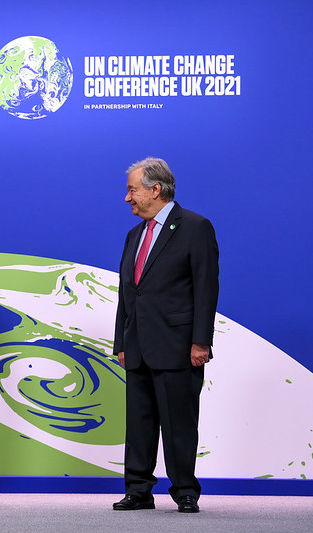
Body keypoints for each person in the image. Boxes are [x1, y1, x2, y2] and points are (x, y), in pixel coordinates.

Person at [112, 157, 219, 513]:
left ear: (155, 190)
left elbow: (206, 288)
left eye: (132, 189)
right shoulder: (134, 235)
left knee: (178, 424)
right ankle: (138, 490)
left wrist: (201, 341)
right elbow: (127, 293)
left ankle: (185, 491)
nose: (127, 197)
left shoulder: (194, 227)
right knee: (138, 425)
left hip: (178, 346)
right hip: (138, 345)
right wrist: (121, 342)